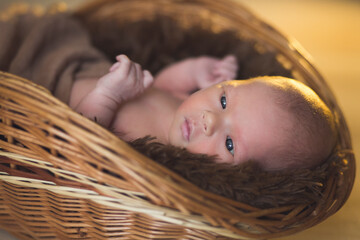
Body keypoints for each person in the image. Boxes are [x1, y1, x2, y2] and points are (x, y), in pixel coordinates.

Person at [70, 54, 337, 171]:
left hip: (51, 90)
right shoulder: (184, 106)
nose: (210, 120)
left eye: (230, 144)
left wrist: (107, 96)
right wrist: (197, 70)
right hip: (79, 62)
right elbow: (159, 85)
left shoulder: (152, 158)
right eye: (223, 100)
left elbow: (77, 146)